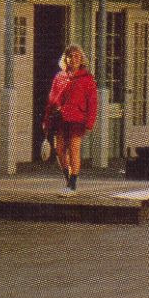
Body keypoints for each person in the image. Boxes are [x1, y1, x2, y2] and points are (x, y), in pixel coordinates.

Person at [44, 44, 99, 191]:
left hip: (78, 119)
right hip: (59, 118)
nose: (74, 59)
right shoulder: (59, 77)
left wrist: (90, 122)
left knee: (74, 148)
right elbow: (51, 100)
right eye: (71, 56)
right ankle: (68, 178)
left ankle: (73, 183)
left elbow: (92, 103)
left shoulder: (88, 79)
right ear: (65, 58)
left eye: (77, 56)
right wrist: (46, 120)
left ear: (81, 60)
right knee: (60, 150)